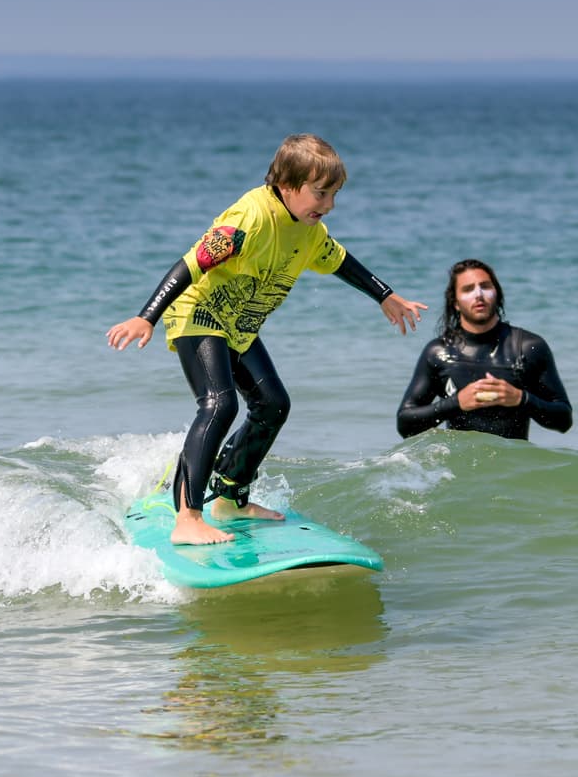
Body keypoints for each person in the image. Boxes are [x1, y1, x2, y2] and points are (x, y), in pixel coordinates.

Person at [107, 134, 428, 546]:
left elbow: (341, 261)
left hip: (238, 326)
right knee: (219, 404)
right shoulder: (250, 219)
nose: (328, 204)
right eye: (321, 193)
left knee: (274, 404)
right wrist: (146, 317)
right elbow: (191, 263)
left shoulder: (309, 231)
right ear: (288, 185)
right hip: (199, 314)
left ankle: (231, 497)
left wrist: (385, 295)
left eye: (334, 194)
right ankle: (188, 517)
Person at [396, 258, 572, 441]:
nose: (478, 294)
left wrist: (521, 399)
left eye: (485, 286)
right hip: (459, 466)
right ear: (455, 302)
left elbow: (563, 420)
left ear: (497, 294)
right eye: (468, 289)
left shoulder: (528, 348)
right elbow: (405, 425)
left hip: (514, 465)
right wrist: (457, 403)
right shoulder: (439, 352)